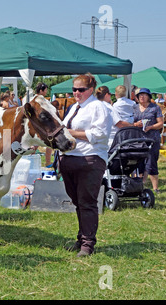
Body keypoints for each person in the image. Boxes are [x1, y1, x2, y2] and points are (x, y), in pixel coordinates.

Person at [59, 73, 112, 257]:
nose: (76, 93)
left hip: (90, 158)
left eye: (81, 90)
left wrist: (70, 132)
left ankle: (88, 244)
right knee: (77, 202)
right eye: (74, 89)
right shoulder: (74, 107)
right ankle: (82, 238)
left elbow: (99, 134)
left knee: (87, 202)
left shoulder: (98, 107)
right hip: (69, 159)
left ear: (90, 90)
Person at [132, 88, 164, 194]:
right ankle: (140, 185)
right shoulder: (134, 107)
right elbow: (131, 122)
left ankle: (155, 188)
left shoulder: (155, 108)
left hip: (152, 139)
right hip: (138, 138)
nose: (142, 97)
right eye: (140, 95)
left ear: (149, 97)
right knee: (139, 162)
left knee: (151, 162)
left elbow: (160, 123)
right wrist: (136, 124)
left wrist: (150, 127)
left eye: (144, 95)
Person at [34, 82, 53, 166]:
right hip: (41, 127)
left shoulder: (31, 98)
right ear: (41, 90)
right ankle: (48, 162)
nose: (46, 91)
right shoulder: (41, 100)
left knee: (34, 145)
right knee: (49, 144)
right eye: (45, 90)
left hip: (36, 126)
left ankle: (30, 160)